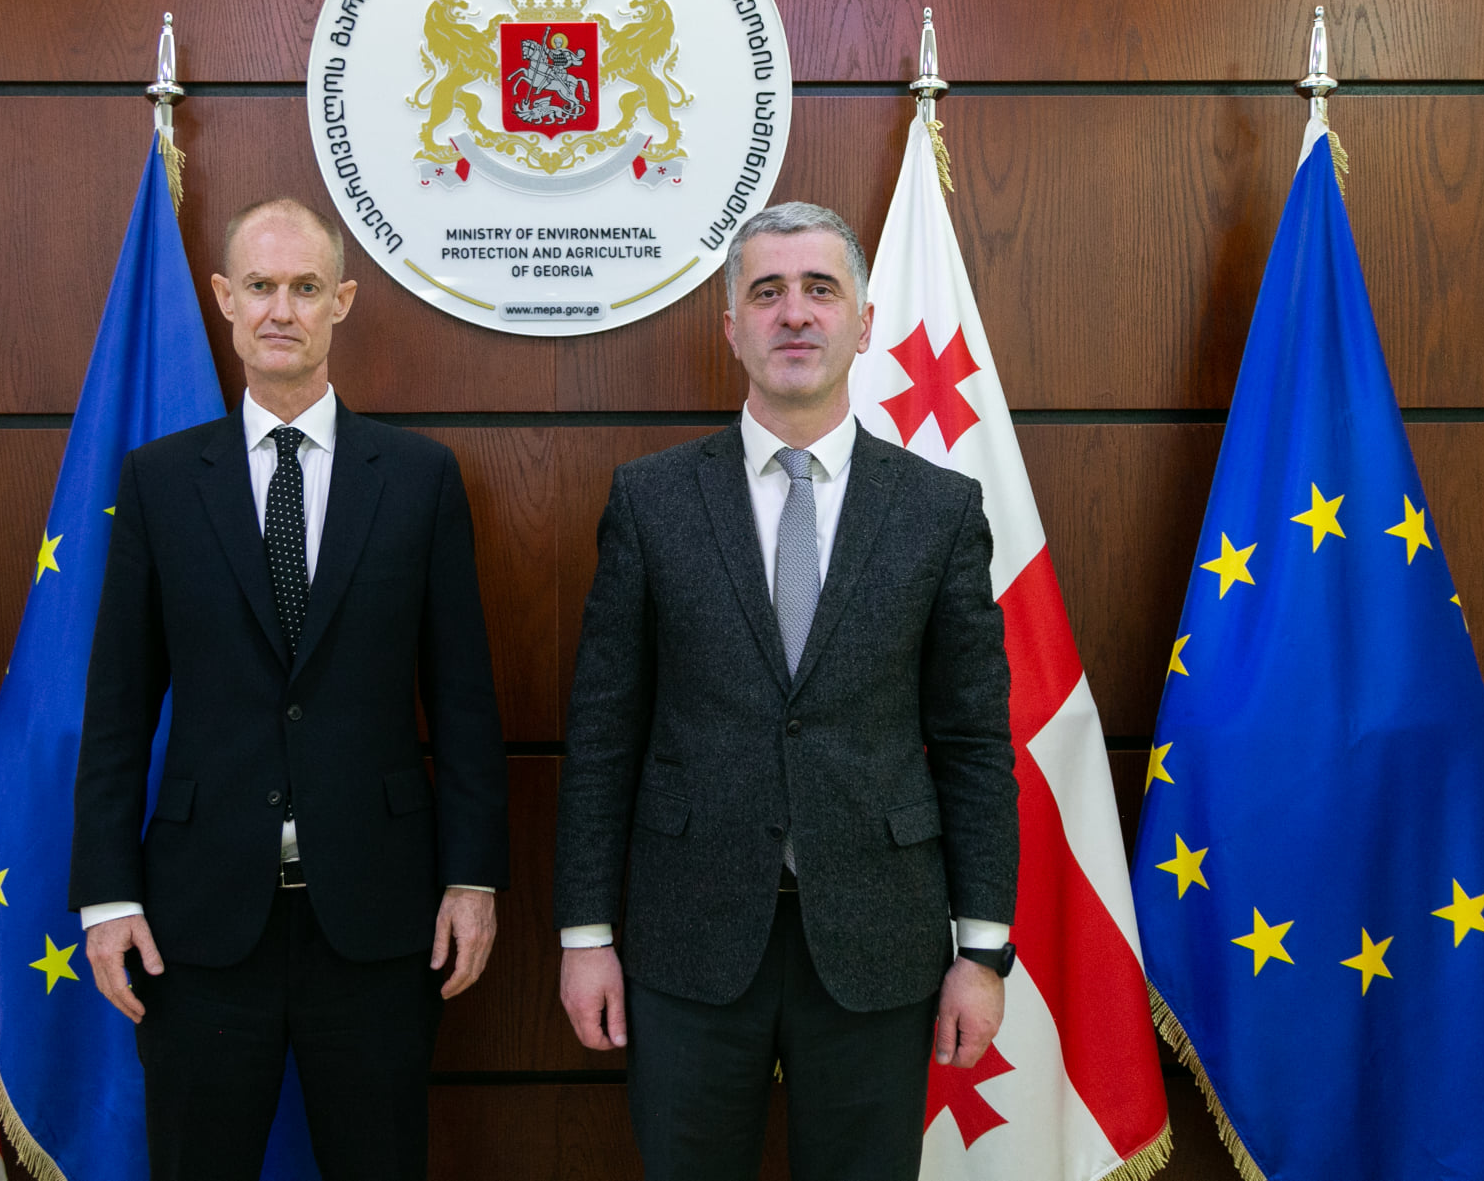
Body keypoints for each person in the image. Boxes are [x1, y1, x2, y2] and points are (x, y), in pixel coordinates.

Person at [553, 201, 1018, 1180]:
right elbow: (603, 733)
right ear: (732, 327)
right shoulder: (651, 500)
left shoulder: (937, 510)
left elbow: (973, 741)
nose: (794, 313)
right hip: (687, 935)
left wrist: (981, 951)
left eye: (819, 289)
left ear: (863, 321)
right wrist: (585, 933)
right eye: (766, 292)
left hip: (880, 940)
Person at [69, 198, 508, 1181]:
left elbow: (464, 703)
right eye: (260, 286)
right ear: (223, 299)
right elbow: (117, 706)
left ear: (341, 301)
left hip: (379, 919)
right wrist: (104, 896)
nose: (282, 308)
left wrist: (472, 880)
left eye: (305, 287)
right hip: (196, 923)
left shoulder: (419, 477)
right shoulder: (159, 481)